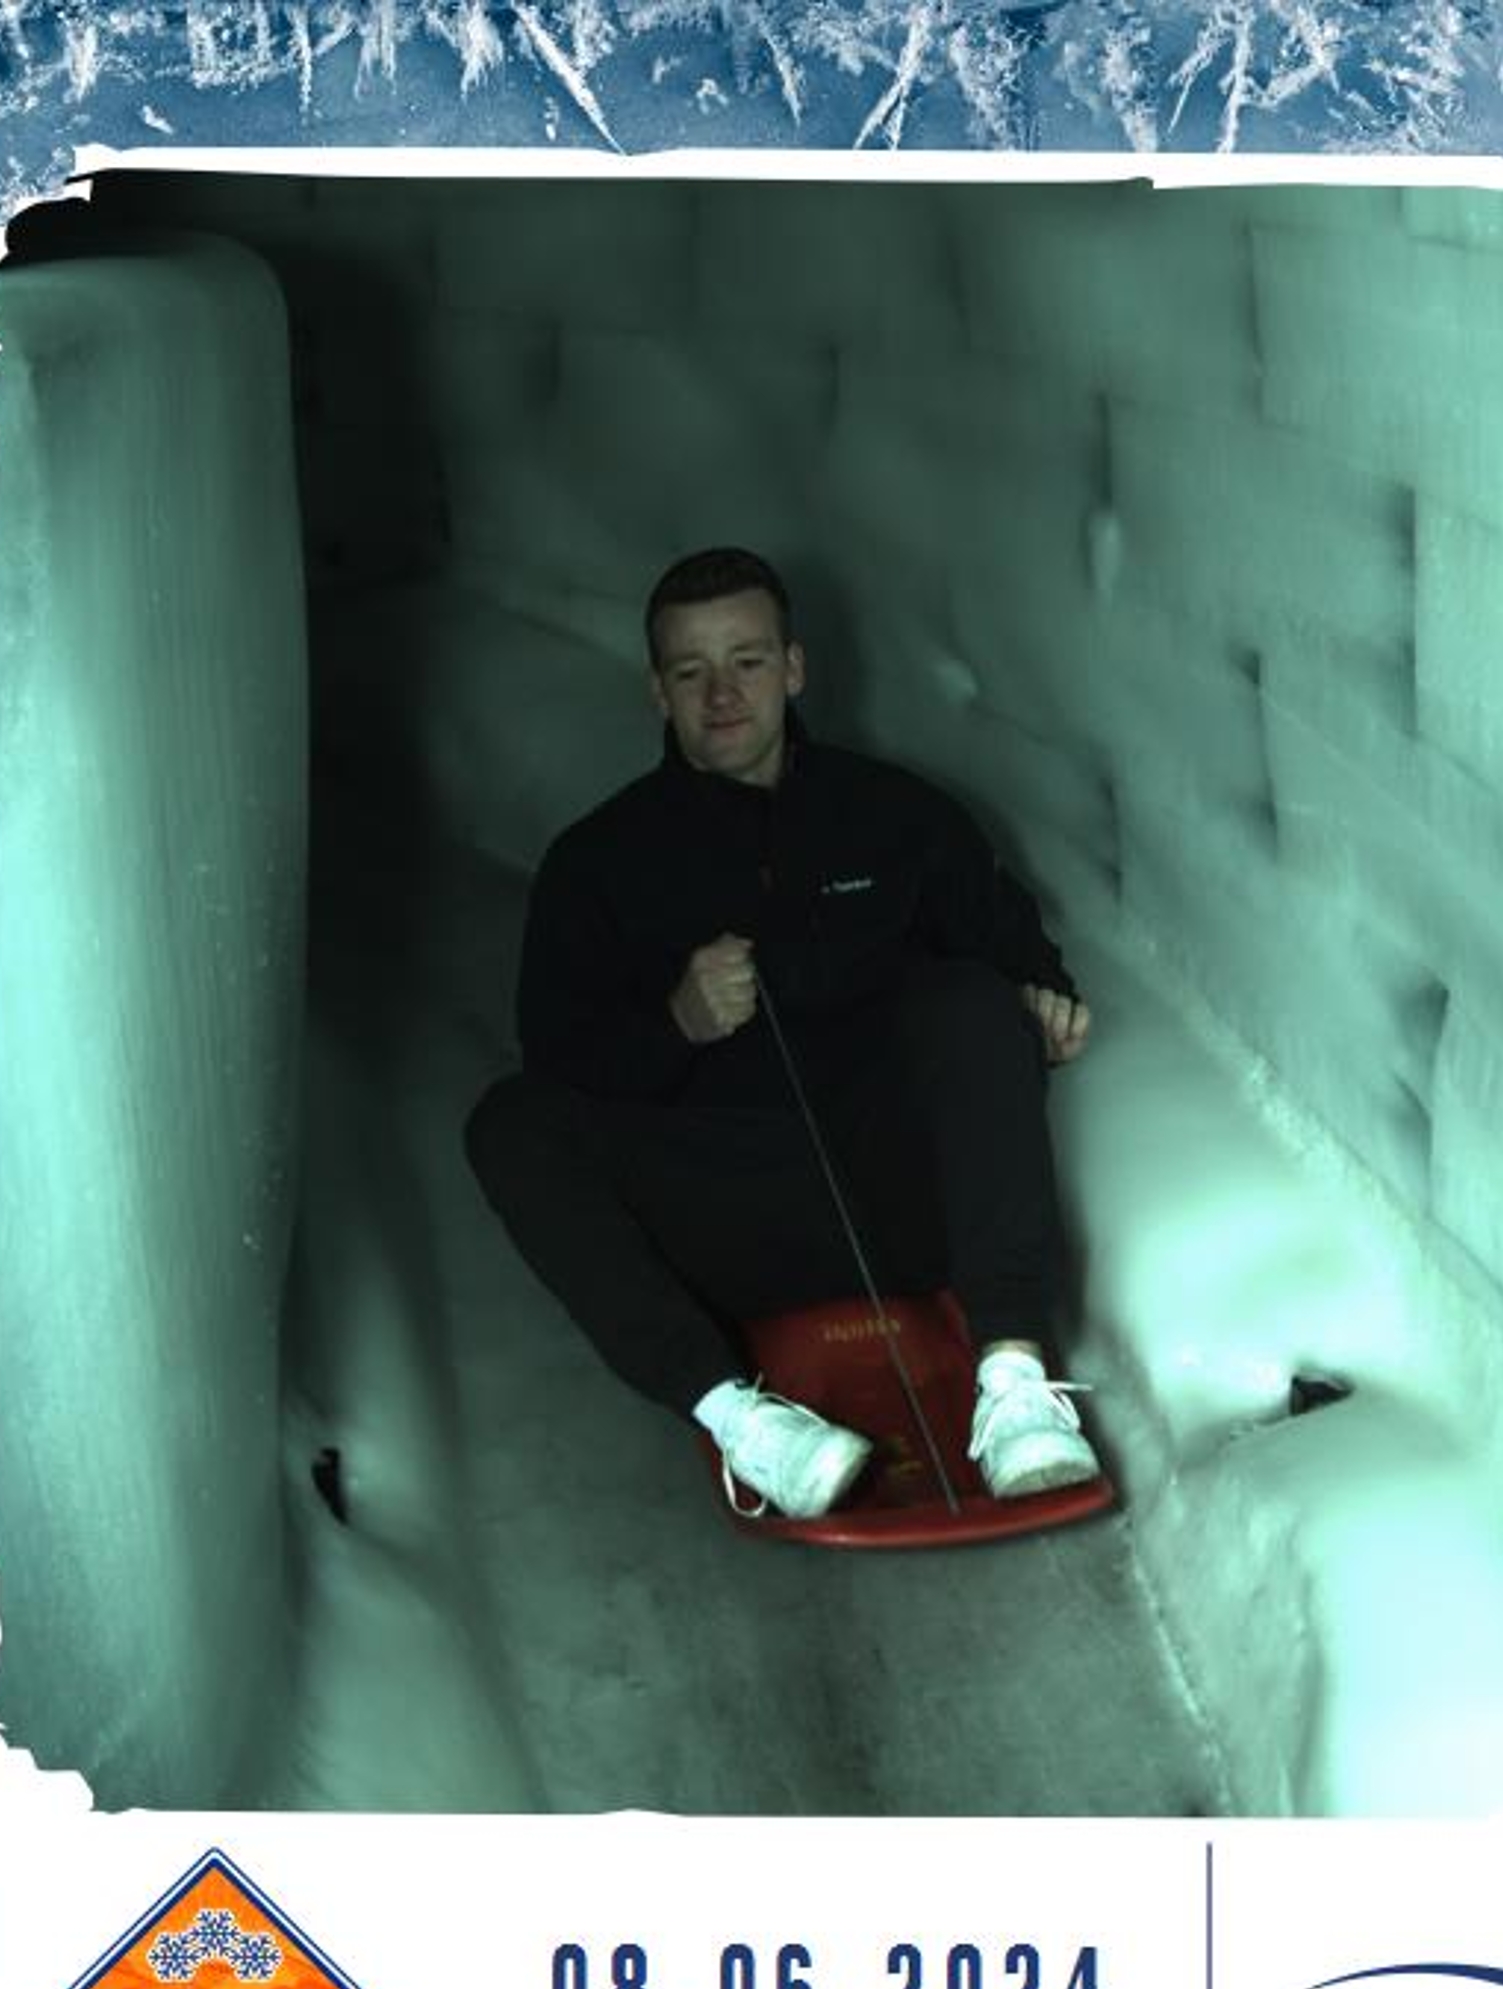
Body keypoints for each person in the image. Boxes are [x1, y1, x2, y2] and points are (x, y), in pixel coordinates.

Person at [465, 546, 1100, 1521]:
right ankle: (738, 1418)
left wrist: (1045, 1003)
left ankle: (1014, 1383)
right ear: (658, 690)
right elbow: (560, 1058)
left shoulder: (901, 817)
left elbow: (1016, 955)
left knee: (970, 999)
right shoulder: (595, 863)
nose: (722, 694)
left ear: (793, 668)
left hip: (902, 1203)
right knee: (509, 1123)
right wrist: (674, 1025)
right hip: (727, 1227)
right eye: (692, 671)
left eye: (748, 661)